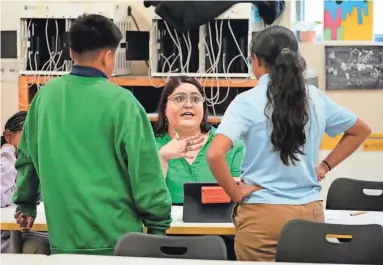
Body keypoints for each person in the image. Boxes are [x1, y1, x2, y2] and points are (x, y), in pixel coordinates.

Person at [206, 25, 371, 261]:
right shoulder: (314, 97)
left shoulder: (246, 102)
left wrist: (234, 192)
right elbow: (361, 131)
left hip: (261, 217)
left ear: (255, 60)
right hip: (309, 215)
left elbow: (214, 154)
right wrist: (324, 166)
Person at [12, 14, 172, 255]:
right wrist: (158, 226)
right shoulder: (124, 104)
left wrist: (26, 204)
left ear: (70, 53)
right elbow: (146, 172)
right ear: (108, 56)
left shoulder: (44, 98)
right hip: (121, 243)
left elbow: (27, 158)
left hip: (63, 242)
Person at [154, 76, 244, 260]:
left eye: (195, 99)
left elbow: (240, 201)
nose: (188, 105)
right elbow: (147, 200)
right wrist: (162, 158)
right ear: (165, 106)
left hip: (221, 240)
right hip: (165, 240)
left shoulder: (229, 145)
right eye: (179, 98)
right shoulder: (149, 146)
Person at [1, 111, 50, 254]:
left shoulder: (41, 159)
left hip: (38, 230)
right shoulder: (5, 161)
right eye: (27, 134)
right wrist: (8, 154)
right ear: (8, 136)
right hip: (10, 235)